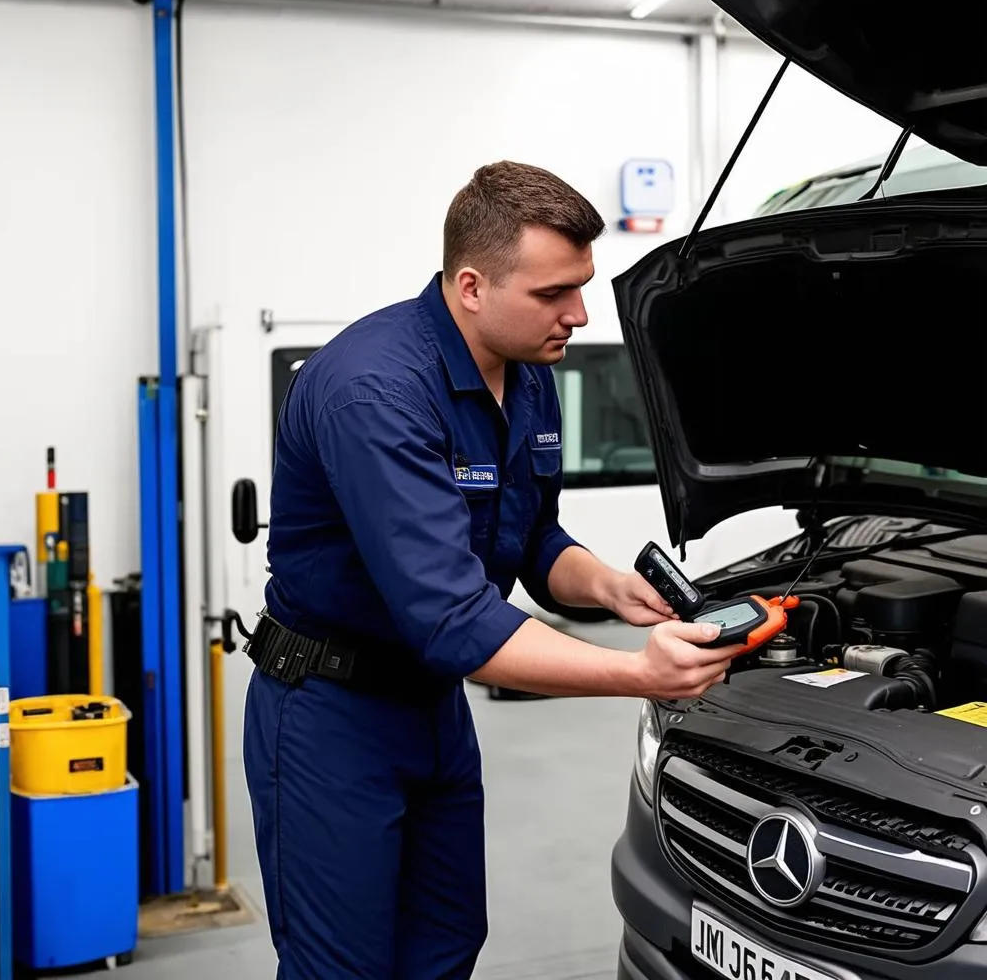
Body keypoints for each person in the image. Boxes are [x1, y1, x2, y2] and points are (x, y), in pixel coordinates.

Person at [242, 160, 738, 980]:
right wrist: (640, 674)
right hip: (331, 716)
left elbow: (533, 538)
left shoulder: (529, 375)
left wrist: (607, 585)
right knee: (346, 970)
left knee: (444, 948)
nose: (578, 314)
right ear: (471, 287)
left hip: (431, 709)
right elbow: (454, 621)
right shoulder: (374, 392)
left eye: (581, 287)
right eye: (554, 294)